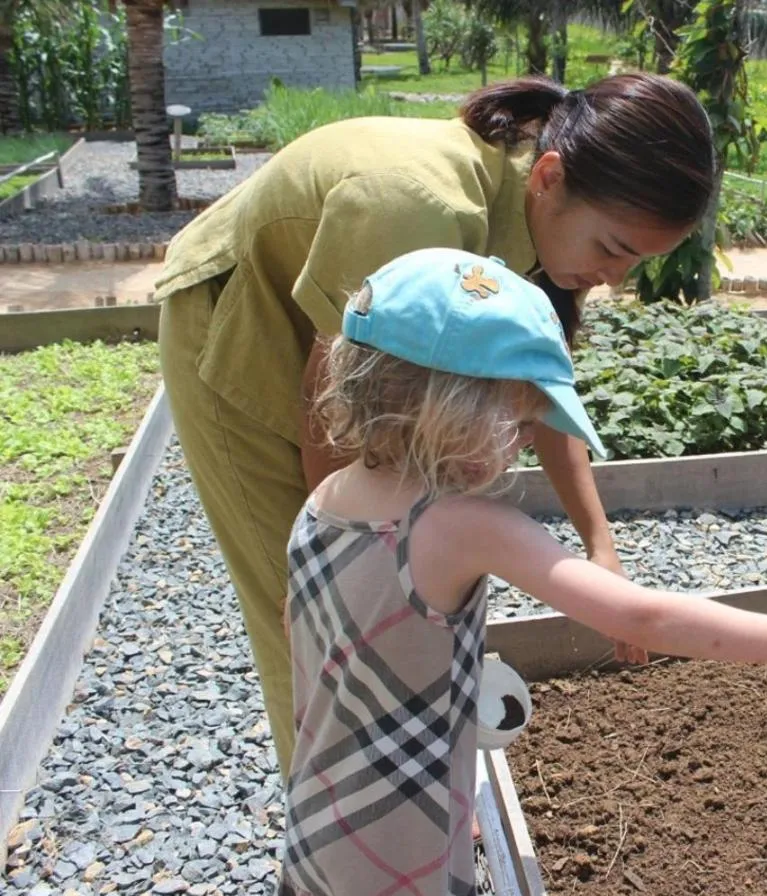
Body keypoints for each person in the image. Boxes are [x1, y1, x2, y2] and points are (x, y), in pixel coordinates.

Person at [277, 248, 767, 896]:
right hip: (402, 845)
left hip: (321, 819)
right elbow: (639, 616)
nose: (520, 442)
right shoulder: (464, 524)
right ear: (453, 409)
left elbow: (311, 637)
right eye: (516, 419)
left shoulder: (322, 502)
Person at [153, 72, 717, 774]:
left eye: (635, 262)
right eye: (612, 249)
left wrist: (600, 544)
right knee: (304, 604)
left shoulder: (538, 230)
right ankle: (335, 824)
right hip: (238, 318)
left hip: (340, 361)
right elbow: (331, 409)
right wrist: (358, 561)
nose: (612, 278)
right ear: (549, 175)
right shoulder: (416, 209)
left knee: (392, 592)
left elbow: (540, 393)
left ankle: (405, 788)